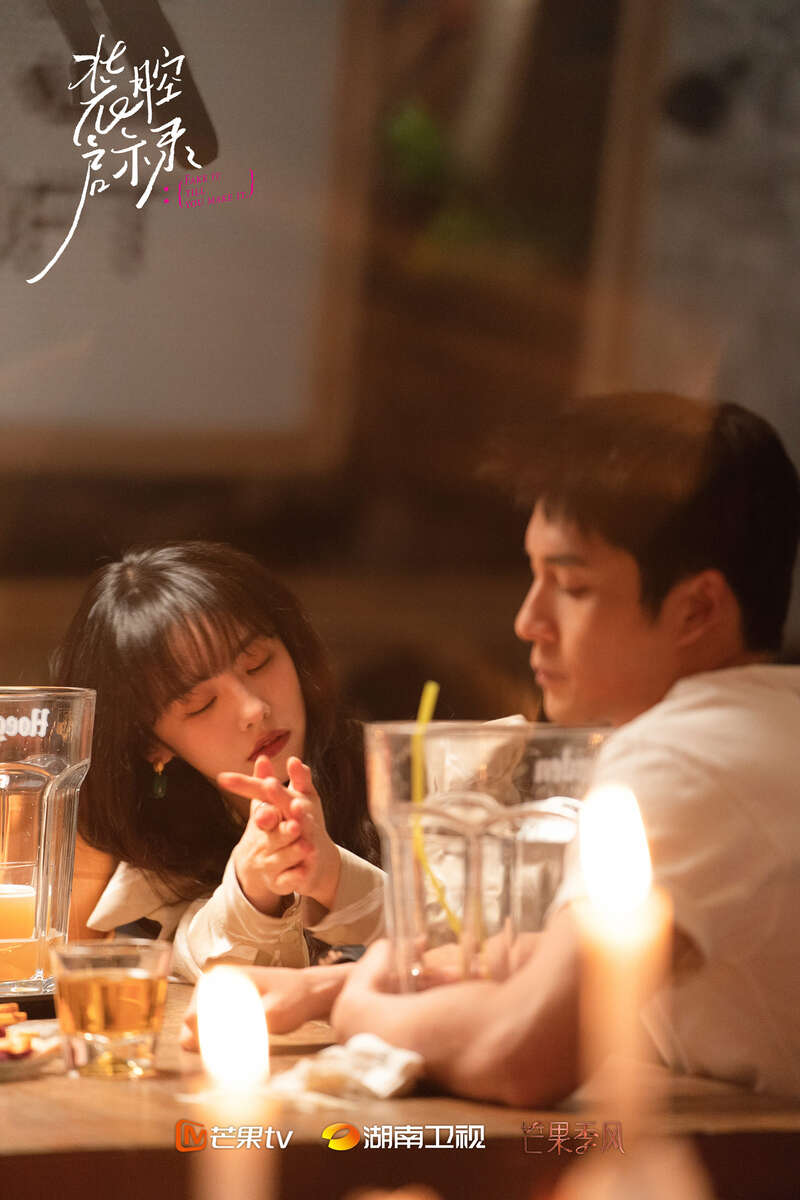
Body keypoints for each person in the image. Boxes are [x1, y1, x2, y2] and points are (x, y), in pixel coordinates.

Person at [184, 393, 800, 1103]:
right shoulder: (756, 724)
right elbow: (567, 964)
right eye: (534, 575)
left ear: (698, 609)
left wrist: (358, 1012)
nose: (528, 620)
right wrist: (329, 986)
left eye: (571, 586)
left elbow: (520, 1053)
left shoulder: (687, 760)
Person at [53, 541, 384, 980]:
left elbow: (461, 934)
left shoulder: (408, 779)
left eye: (258, 663)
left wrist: (333, 875)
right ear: (152, 744)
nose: (253, 709)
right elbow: (192, 955)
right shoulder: (160, 864)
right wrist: (251, 887)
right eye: (201, 704)